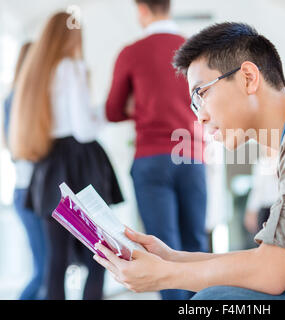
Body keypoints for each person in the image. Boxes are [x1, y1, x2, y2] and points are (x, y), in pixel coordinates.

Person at [93, 22, 285, 300]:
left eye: (202, 94)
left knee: (215, 299)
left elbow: (271, 271)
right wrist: (170, 257)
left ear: (248, 78)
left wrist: (165, 276)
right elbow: (265, 260)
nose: (200, 116)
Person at [9, 12, 124, 300]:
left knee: (56, 260)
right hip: (80, 165)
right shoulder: (72, 68)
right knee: (100, 254)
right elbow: (84, 130)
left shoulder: (36, 74)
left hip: (49, 166)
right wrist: (103, 115)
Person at [105, 0, 207, 300]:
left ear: (142, 9)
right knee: (194, 245)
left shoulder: (131, 53)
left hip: (150, 157)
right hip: (190, 154)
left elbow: (112, 110)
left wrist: (138, 107)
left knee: (161, 252)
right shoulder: (195, 51)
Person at [3, 42, 48, 300]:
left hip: (27, 190)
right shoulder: (22, 98)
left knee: (45, 267)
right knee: (44, 270)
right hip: (31, 192)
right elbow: (24, 150)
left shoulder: (15, 97)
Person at [244, 147, 279, 235]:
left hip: (280, 208)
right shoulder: (260, 163)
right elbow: (256, 190)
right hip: (264, 210)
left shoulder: (283, 161)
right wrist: (251, 211)